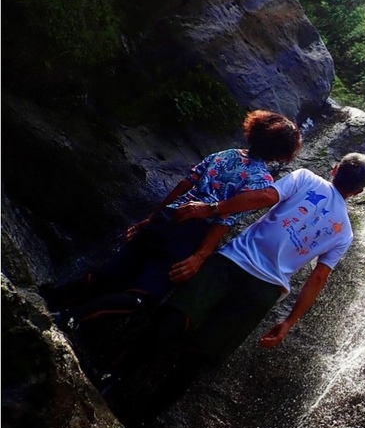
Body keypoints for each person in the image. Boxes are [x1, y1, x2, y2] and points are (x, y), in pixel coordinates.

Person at [106, 152, 365, 428]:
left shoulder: (305, 178)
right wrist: (289, 322)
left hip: (233, 262)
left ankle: (112, 379)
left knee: (175, 318)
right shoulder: (344, 232)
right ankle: (141, 421)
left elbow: (265, 198)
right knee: (199, 355)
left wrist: (211, 208)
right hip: (265, 290)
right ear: (358, 192)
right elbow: (318, 277)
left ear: (334, 169)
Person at [44, 110, 302, 332]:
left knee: (109, 275)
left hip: (167, 219)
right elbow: (223, 220)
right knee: (141, 298)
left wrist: (152, 218)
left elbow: (184, 184)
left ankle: (47, 298)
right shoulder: (261, 182)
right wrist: (199, 257)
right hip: (188, 236)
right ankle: (69, 318)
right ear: (281, 154)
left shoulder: (225, 154)